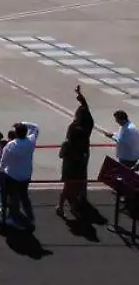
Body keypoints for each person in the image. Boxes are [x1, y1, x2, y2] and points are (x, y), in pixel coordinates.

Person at [57, 86, 94, 218]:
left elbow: (62, 155)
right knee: (79, 182)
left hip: (70, 166)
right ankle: (79, 199)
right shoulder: (88, 124)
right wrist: (80, 97)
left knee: (68, 187)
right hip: (82, 159)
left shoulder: (70, 141)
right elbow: (86, 108)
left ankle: (63, 205)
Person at [0, 121, 39, 229]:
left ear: (16, 133)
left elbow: (3, 161)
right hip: (26, 175)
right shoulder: (31, 142)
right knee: (24, 196)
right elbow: (35, 127)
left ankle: (14, 219)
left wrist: (1, 170)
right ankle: (31, 217)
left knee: (14, 198)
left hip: (13, 176)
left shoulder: (10, 145)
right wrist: (22, 123)